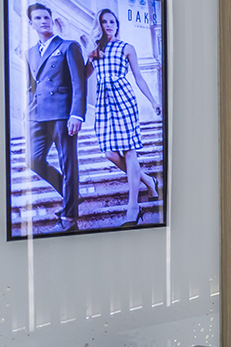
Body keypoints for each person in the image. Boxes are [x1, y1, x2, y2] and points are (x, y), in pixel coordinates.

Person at [87, 8, 162, 227]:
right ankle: (148, 180)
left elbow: (138, 77)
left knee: (130, 151)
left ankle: (133, 207)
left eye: (112, 22)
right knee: (110, 153)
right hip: (103, 103)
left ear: (117, 25)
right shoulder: (95, 51)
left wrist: (153, 101)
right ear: (99, 25)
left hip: (123, 98)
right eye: (104, 22)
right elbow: (83, 76)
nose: (109, 25)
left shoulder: (126, 47)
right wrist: (88, 56)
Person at [25, 3, 87, 233]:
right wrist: (27, 111)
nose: (44, 21)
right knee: (33, 160)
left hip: (62, 114)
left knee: (68, 163)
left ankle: (69, 218)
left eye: (46, 17)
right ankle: (72, 194)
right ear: (31, 23)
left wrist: (76, 114)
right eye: (38, 18)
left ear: (52, 20)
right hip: (37, 114)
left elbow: (79, 83)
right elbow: (31, 86)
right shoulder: (30, 53)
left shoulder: (68, 46)